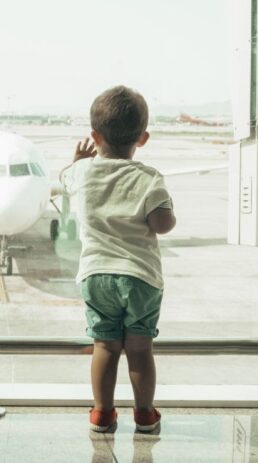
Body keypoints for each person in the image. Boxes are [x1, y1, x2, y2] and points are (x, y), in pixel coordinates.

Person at [60, 85, 176, 433]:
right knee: (140, 350)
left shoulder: (81, 174)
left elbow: (66, 180)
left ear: (95, 136)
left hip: (96, 276)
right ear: (143, 138)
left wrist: (79, 161)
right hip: (140, 278)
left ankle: (102, 413)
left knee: (105, 347)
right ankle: (144, 415)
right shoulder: (149, 178)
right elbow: (163, 224)